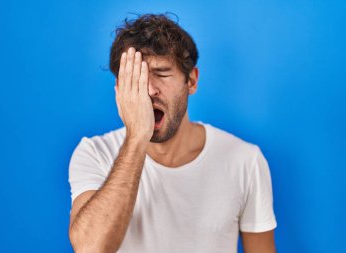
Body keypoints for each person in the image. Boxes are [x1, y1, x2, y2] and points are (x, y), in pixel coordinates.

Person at [68, 13, 277, 253]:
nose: (149, 90)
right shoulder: (94, 153)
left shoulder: (245, 160)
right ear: (119, 91)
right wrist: (137, 138)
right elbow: (90, 248)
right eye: (136, 79)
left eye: (161, 73)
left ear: (191, 81)